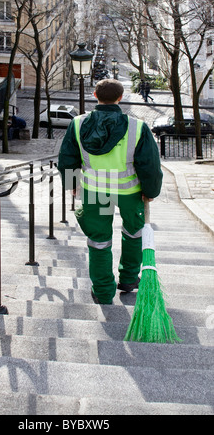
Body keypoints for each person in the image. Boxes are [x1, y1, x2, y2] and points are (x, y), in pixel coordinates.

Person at [57, 79, 163, 305]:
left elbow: (67, 158)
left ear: (95, 95)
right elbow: (149, 164)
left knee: (99, 241)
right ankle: (128, 279)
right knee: (134, 234)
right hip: (130, 191)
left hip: (95, 191)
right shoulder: (137, 127)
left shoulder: (77, 124)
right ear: (120, 98)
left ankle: (103, 291)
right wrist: (151, 190)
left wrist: (71, 184)